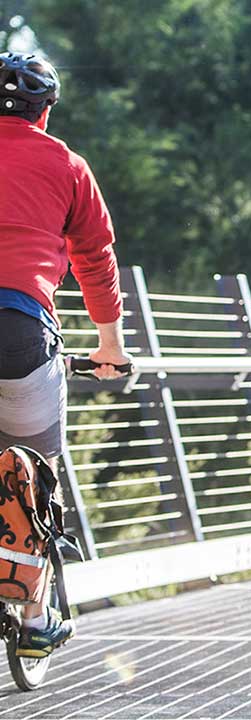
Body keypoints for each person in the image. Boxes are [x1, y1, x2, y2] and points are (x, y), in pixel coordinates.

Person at [0, 51, 132, 658]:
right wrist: (110, 346)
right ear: (45, 110)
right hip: (21, 335)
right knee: (33, 470)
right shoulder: (66, 165)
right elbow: (95, 260)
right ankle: (31, 619)